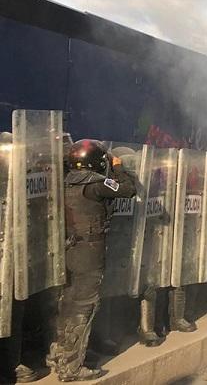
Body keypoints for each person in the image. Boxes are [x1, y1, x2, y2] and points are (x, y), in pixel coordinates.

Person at [49, 140, 136, 381]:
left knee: (68, 302)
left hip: (69, 248)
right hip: (90, 249)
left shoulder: (64, 180)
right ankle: (72, 367)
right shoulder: (97, 184)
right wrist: (117, 167)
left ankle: (60, 354)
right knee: (85, 304)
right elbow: (127, 189)